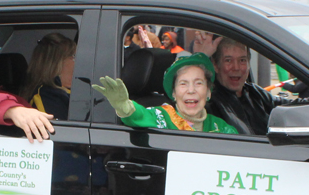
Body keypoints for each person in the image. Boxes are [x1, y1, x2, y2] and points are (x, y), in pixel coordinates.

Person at [194, 34, 309, 135]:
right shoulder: (208, 100)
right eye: (228, 60)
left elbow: (293, 108)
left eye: (242, 60)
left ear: (248, 64)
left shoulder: (255, 93)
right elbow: (184, 101)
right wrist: (200, 58)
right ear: (215, 65)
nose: (236, 67)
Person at [92, 53, 237, 134]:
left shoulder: (221, 127)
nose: (191, 90)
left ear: (208, 92)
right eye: (183, 84)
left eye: (198, 83)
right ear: (174, 93)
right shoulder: (161, 116)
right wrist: (124, 106)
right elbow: (139, 115)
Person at [20, 33, 76, 121]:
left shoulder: (71, 91)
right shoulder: (47, 97)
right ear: (57, 63)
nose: (77, 62)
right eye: (73, 57)